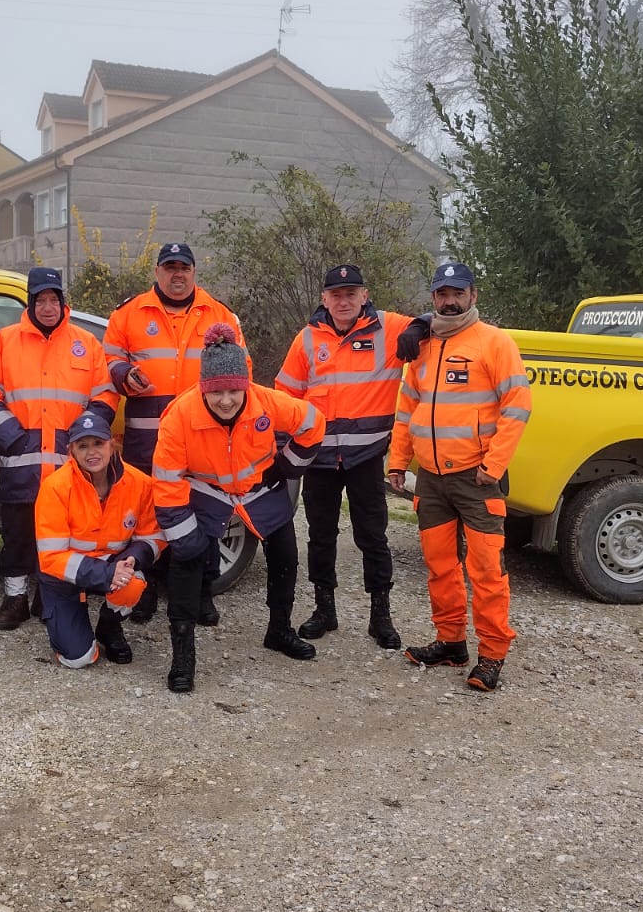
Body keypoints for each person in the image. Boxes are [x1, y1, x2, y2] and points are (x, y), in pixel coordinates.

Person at [387, 262, 531, 692]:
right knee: (439, 566)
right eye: (441, 293)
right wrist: (398, 461)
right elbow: (407, 407)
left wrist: (494, 465)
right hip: (431, 478)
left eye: (458, 292)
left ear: (473, 295)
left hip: (476, 478)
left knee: (486, 569)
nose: (450, 301)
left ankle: (493, 654)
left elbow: (518, 406)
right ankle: (451, 642)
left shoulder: (495, 343)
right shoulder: (425, 345)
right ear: (433, 297)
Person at [153, 324, 321, 693]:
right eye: (217, 392)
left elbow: (313, 423)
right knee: (187, 562)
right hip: (206, 491)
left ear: (245, 385)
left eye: (233, 390)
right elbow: (167, 482)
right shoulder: (178, 416)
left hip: (260, 488)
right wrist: (185, 536)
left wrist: (288, 465)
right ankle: (183, 656)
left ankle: (279, 631)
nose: (226, 401)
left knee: (286, 557)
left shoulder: (267, 401)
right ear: (203, 388)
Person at [275, 263, 415, 651]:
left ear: (364, 296)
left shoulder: (387, 328)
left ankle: (380, 616)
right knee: (320, 535)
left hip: (366, 457)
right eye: (336, 295)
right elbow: (285, 397)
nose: (343, 301)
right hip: (318, 458)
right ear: (324, 299)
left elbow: (431, 322)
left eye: (351, 293)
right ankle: (325, 609)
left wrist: (419, 330)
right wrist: (281, 451)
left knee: (373, 535)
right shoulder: (306, 340)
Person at [102, 242, 244, 624]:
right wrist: (122, 373)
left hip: (204, 435)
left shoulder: (221, 316)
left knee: (206, 511)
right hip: (146, 437)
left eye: (184, 268)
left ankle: (202, 592)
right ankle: (145, 589)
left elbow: (239, 372)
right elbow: (108, 359)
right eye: (170, 268)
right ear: (158, 272)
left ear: (194, 272)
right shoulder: (129, 313)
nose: (177, 275)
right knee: (148, 513)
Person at [0, 267, 116, 630]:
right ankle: (15, 597)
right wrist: (13, 437)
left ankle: (47, 594)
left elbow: (104, 396)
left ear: (63, 302)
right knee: (18, 533)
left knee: (65, 534)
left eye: (54, 299)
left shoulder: (86, 342)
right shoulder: (3, 342)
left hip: (70, 464)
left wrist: (81, 440)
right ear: (31, 302)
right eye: (41, 299)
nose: (48, 306)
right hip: (23, 459)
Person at [34, 410, 165, 667]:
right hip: (64, 576)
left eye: (98, 443)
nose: (91, 452)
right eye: (82, 446)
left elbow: (154, 537)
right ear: (71, 450)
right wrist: (107, 574)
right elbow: (51, 558)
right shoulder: (55, 487)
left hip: (112, 564)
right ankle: (67, 615)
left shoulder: (140, 483)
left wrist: (131, 561)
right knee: (79, 658)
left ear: (113, 443)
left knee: (133, 582)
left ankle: (109, 627)